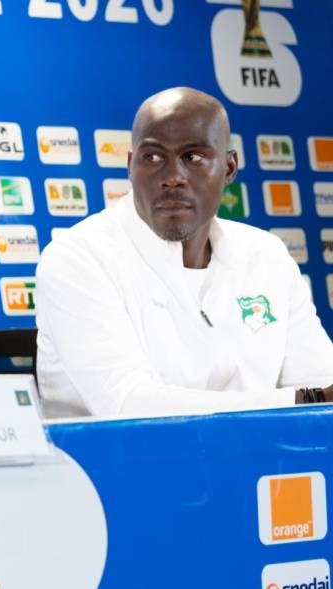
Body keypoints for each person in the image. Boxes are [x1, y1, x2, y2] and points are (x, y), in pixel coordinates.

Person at [35, 87, 333, 418]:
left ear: (229, 168)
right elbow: (129, 406)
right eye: (153, 157)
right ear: (130, 167)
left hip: (260, 450)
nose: (173, 177)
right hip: (119, 453)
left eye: (193, 157)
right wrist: (305, 399)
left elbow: (321, 380)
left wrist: (313, 396)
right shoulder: (78, 257)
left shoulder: (266, 255)